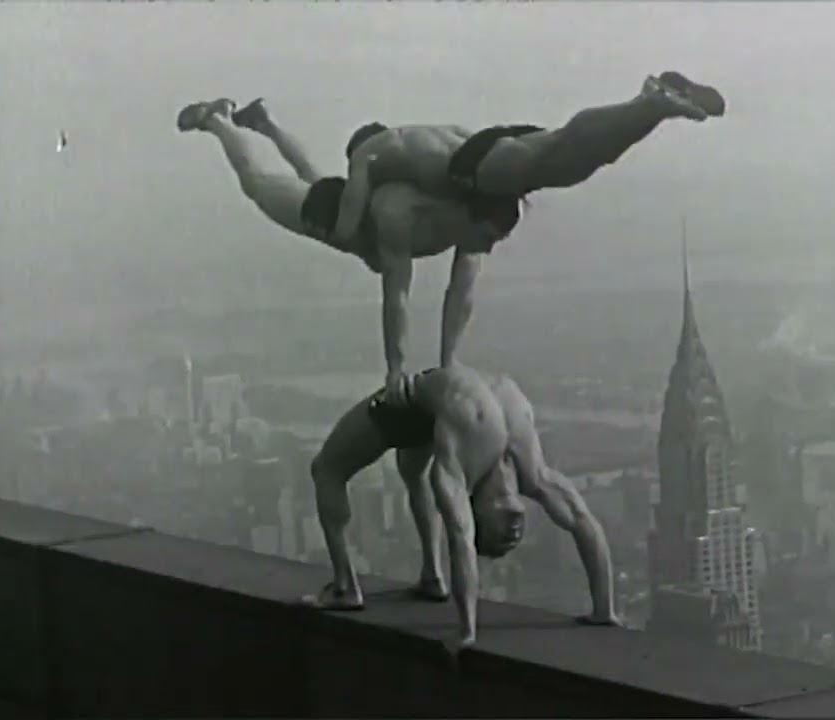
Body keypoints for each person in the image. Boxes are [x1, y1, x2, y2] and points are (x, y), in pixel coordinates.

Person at [177, 98, 524, 404]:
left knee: (313, 176)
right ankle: (218, 120)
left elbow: (461, 295)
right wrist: (396, 370)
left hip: (358, 210)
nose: (488, 246)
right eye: (487, 236)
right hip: (334, 214)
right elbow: (396, 295)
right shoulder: (401, 212)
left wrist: (449, 362)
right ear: (468, 216)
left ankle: (264, 123)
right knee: (259, 183)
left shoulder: (476, 220)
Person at [302, 363, 620, 647]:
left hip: (428, 403)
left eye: (500, 532)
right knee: (399, 468)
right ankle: (423, 578)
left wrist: (467, 633)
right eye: (510, 535)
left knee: (331, 469)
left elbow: (462, 536)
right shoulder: (528, 470)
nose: (512, 529)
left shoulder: (480, 463)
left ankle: (360, 586)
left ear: (476, 508)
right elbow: (462, 536)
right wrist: (603, 610)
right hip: (436, 402)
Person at [330, 70, 725, 246]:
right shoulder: (415, 134)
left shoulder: (369, 153)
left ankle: (653, 105)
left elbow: (346, 226)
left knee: (569, 155)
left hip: (472, 166)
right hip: (492, 140)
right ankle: (644, 102)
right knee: (573, 152)